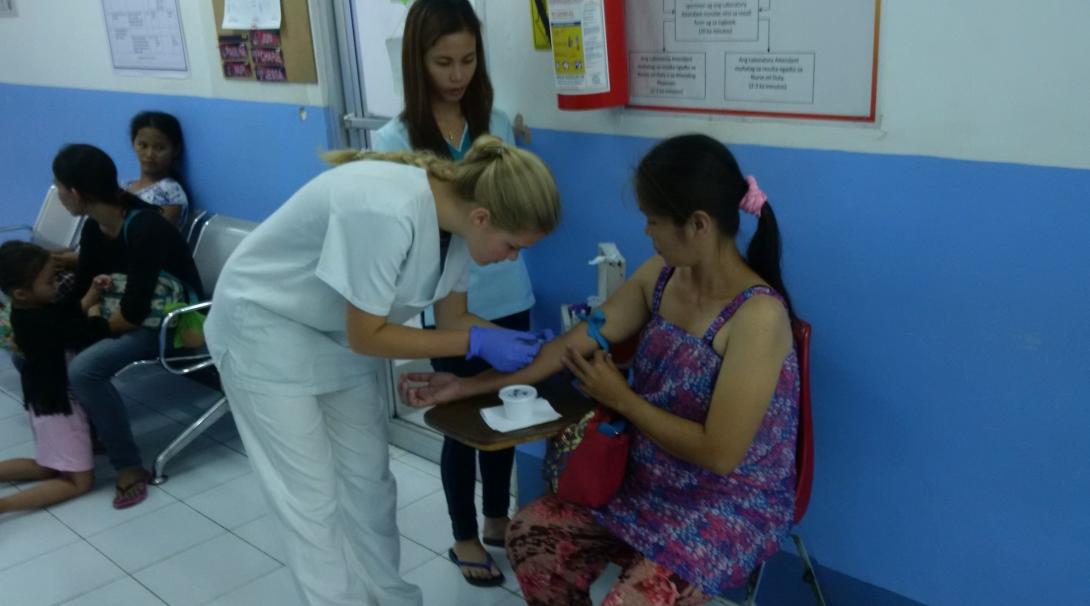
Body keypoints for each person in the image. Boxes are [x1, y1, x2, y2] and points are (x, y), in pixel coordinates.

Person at [401, 134, 800, 605]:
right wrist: (465, 386)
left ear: (697, 225)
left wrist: (622, 398)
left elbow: (719, 454)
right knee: (531, 537)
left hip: (724, 506)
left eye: (653, 221)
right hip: (645, 481)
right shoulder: (660, 277)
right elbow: (564, 350)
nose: (647, 233)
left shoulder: (758, 318)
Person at [201, 134, 561, 606]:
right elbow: (368, 336)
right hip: (264, 328)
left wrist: (507, 339)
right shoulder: (385, 209)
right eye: (513, 246)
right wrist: (479, 340)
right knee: (309, 499)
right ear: (483, 217)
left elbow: (454, 321)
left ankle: (393, 599)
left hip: (333, 332)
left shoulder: (455, 225)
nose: (513, 257)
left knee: (369, 485)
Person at [372, 0, 535, 586]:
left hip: (507, 288)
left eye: (468, 59)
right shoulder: (395, 139)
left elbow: (518, 209)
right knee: (462, 418)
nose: (457, 73)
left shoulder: (498, 120)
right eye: (443, 61)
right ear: (418, 62)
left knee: (506, 413)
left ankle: (497, 521)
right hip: (446, 304)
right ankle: (464, 536)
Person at [53, 143, 204, 510]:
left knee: (85, 370)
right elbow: (83, 288)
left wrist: (83, 326)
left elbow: (134, 315)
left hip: (172, 323)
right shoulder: (94, 228)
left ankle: (129, 467)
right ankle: (87, 433)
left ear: (75, 193)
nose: (58, 195)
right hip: (119, 314)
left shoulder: (145, 227)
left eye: (58, 187)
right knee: (37, 344)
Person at [0, 241, 111, 514]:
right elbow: (89, 331)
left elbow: (67, 315)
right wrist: (96, 310)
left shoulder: (30, 309)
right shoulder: (39, 322)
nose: (57, 284)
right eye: (51, 281)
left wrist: (93, 291)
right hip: (59, 405)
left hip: (45, 401)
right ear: (22, 292)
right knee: (78, 481)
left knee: (47, 466)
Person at [125, 111, 189, 229]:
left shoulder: (170, 194)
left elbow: (151, 238)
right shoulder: (125, 186)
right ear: (133, 144)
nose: (149, 154)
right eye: (143, 145)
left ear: (175, 150)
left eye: (159, 148)